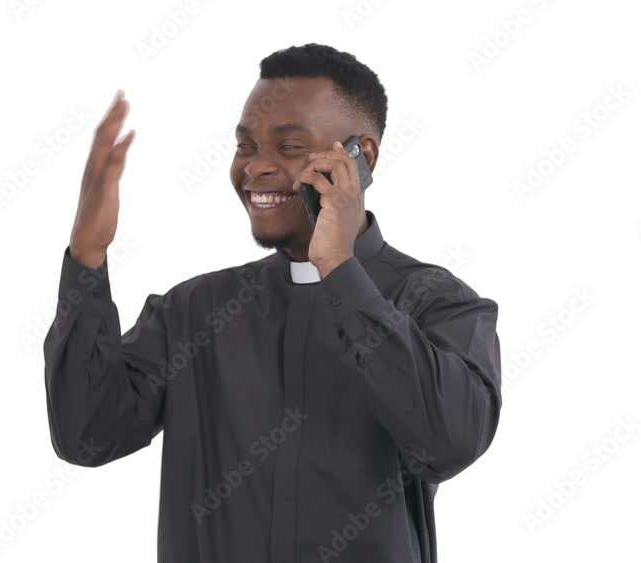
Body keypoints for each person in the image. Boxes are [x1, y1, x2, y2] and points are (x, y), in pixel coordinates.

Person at [44, 43, 502, 563]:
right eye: (245, 146)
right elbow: (86, 434)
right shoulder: (194, 310)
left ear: (362, 158)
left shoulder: (439, 303)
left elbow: (448, 442)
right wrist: (86, 258)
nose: (256, 168)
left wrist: (340, 268)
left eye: (289, 148)